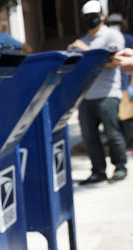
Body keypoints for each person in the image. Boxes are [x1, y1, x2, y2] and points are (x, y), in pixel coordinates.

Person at [69, 0, 127, 183]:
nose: (90, 20)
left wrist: (86, 52)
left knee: (112, 134)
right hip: (86, 96)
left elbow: (114, 62)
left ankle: (120, 167)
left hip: (108, 93)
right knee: (89, 137)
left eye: (93, 16)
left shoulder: (112, 35)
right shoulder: (83, 40)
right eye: (86, 17)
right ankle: (98, 171)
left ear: (102, 16)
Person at [106, 13, 133, 153]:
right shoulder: (110, 40)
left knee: (127, 117)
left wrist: (131, 84)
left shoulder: (128, 39)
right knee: (119, 119)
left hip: (126, 84)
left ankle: (130, 145)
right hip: (115, 85)